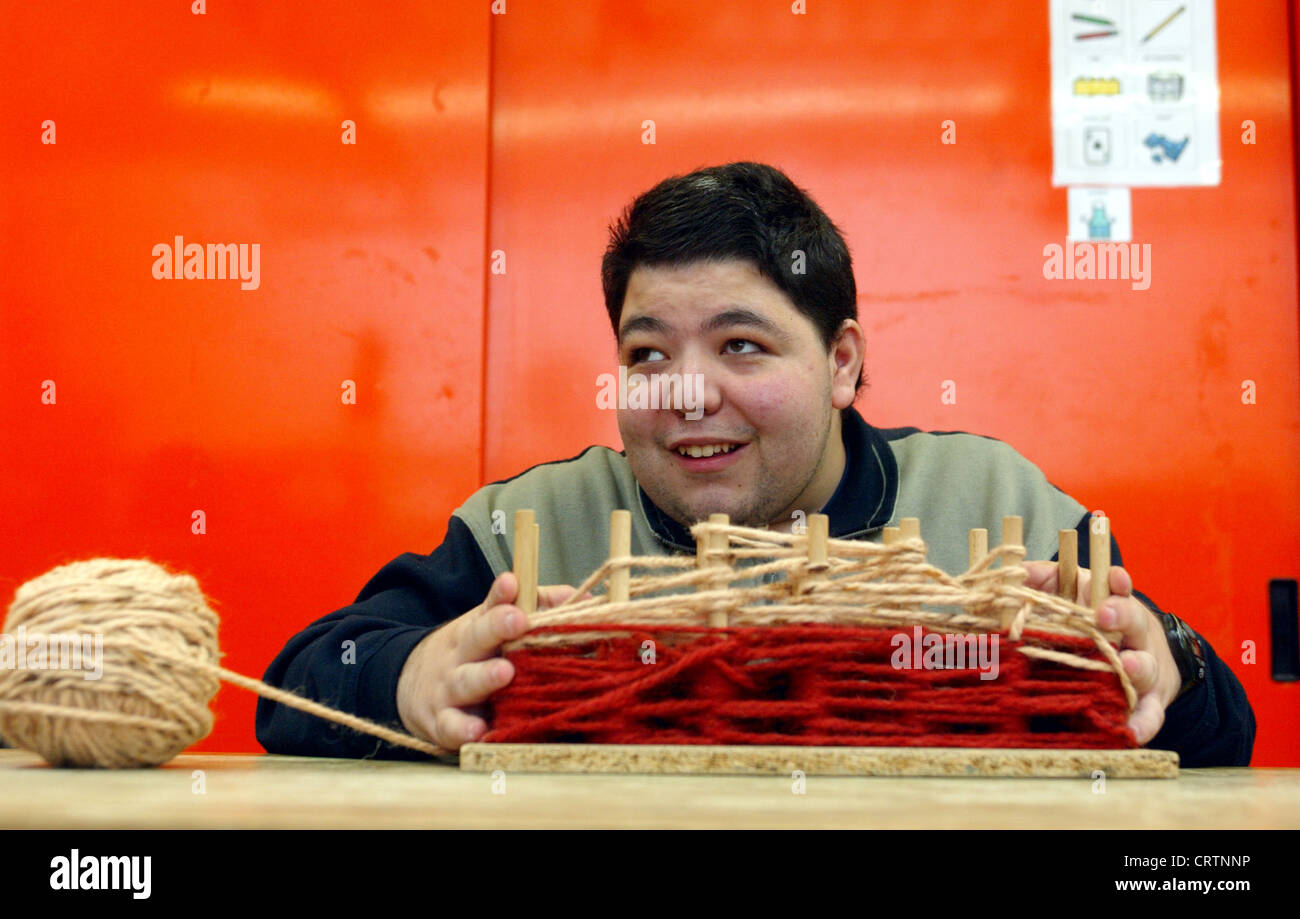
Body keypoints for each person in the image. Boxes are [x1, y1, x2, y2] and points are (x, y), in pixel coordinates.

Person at [255, 162, 1254, 766]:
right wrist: (406, 676)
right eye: (647, 354)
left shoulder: (994, 503)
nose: (686, 393)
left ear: (843, 364)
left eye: (741, 346)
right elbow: (295, 681)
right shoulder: (531, 524)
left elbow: (1222, 728)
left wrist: (1162, 654)